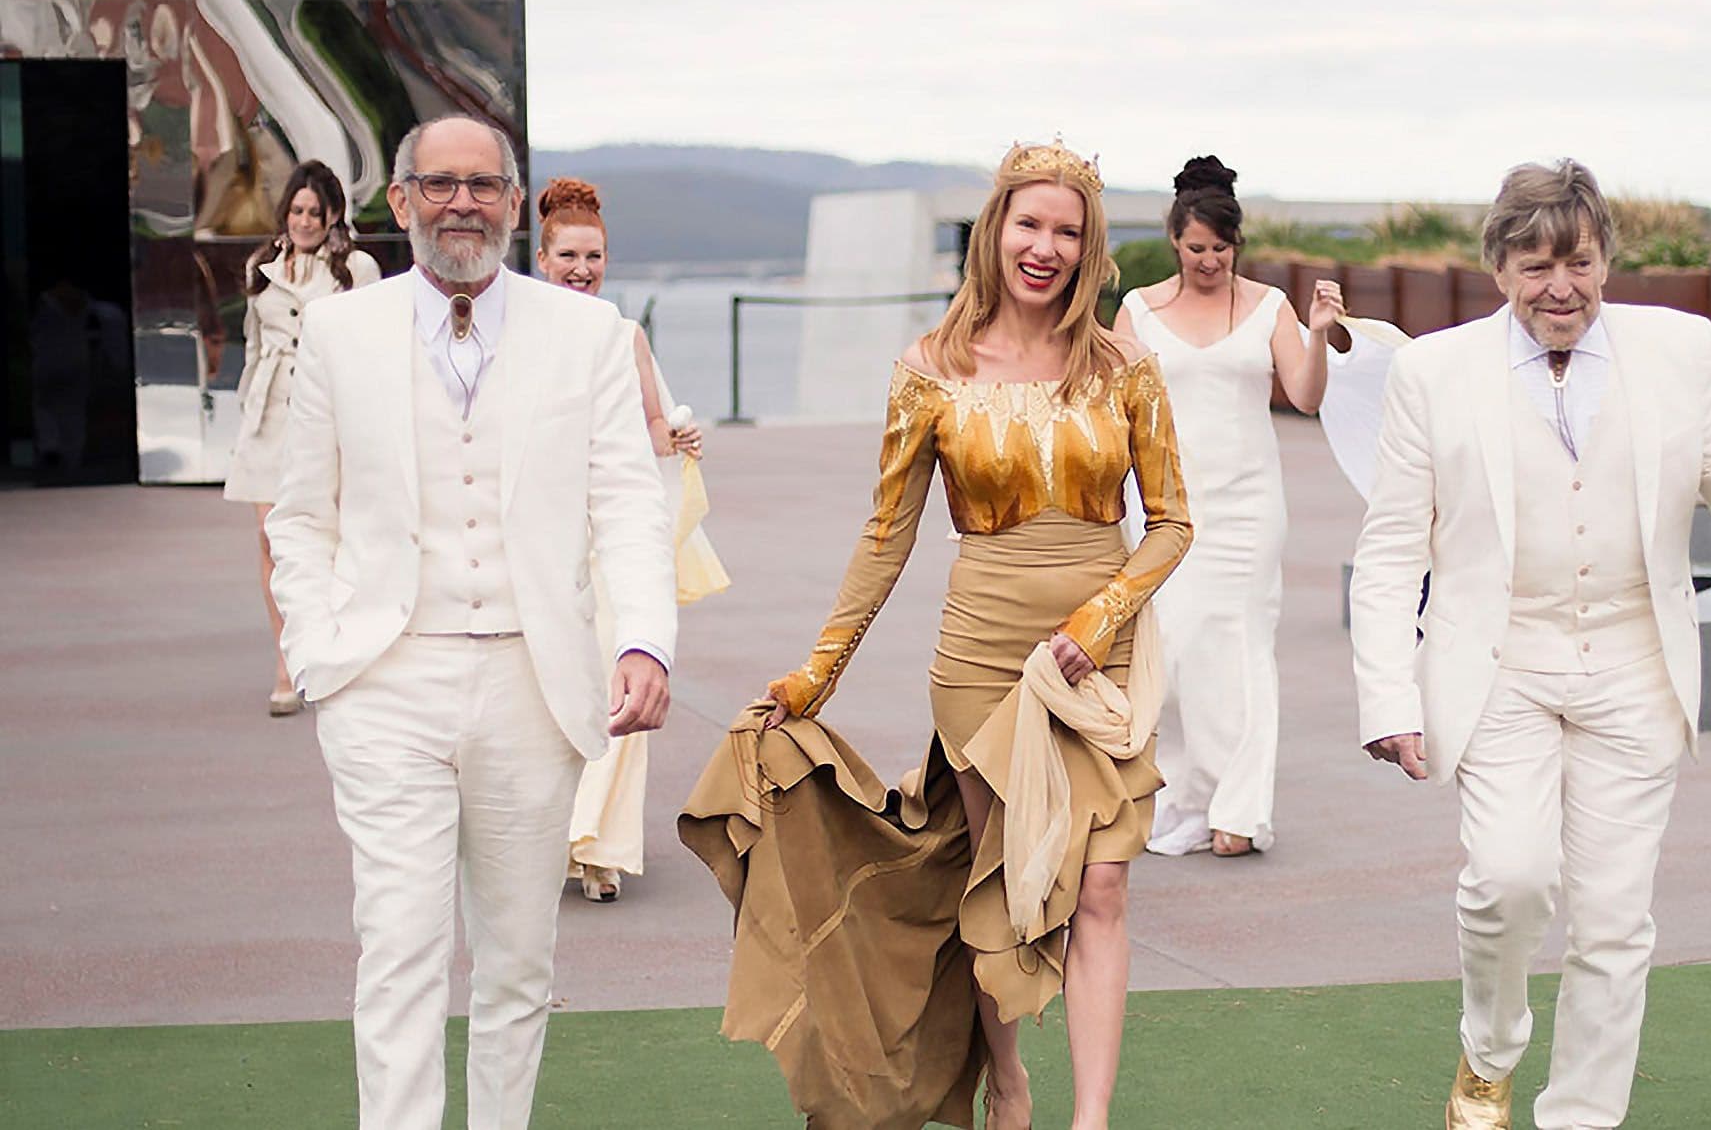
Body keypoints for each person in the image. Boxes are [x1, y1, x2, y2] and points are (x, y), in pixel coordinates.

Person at [681, 140, 1191, 1130]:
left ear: (1088, 248)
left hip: (1098, 659)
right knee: (998, 880)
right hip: (979, 662)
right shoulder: (929, 370)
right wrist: (813, 673)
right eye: (1027, 223)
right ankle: (1004, 1078)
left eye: (1066, 229)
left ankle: (1090, 1119)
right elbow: (887, 536)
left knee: (1103, 884)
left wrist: (1097, 618)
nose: (1043, 246)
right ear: (993, 230)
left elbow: (1170, 522)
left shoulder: (1125, 364)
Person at [1348, 158, 1711, 1128]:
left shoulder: (1682, 349)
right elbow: (1389, 548)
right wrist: (1386, 696)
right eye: (1536, 265)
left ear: (1604, 259)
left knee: (1611, 920)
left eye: (1579, 262)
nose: (1561, 287)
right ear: (1498, 266)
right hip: (1497, 664)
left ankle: (1580, 1115)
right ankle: (1489, 1046)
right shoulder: (1432, 370)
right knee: (1506, 880)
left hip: (1635, 664)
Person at [265, 115, 677, 1129]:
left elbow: (629, 502)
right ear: (399, 201)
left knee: (517, 960)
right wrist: (321, 654)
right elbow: (299, 514)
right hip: (384, 681)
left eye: (483, 184)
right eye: (439, 184)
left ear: (510, 200)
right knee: (398, 950)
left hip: (532, 687)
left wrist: (643, 640)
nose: (462, 202)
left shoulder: (589, 334)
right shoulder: (338, 332)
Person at [1114, 155, 1347, 858]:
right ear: (1174, 243)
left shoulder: (1269, 305)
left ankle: (1241, 809)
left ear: (1236, 244)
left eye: (1220, 248)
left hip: (1248, 502)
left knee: (1241, 646)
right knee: (1175, 652)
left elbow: (1305, 395)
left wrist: (1316, 333)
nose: (1208, 260)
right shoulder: (1138, 310)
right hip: (1162, 502)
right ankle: (1186, 794)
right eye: (1195, 248)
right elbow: (1115, 411)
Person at [533, 176, 726, 904]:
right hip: (547, 534)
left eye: (595, 255)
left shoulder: (624, 334)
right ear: (544, 257)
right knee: (554, 683)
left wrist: (675, 436)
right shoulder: (523, 333)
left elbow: (648, 426)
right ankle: (551, 831)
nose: (583, 268)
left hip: (610, 534)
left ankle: (600, 845)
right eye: (569, 255)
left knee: (620, 678)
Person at [221, 159, 381, 716]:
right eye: (296, 210)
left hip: (327, 414)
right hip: (269, 417)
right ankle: (286, 661)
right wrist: (247, 410)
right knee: (269, 540)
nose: (305, 221)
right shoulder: (261, 264)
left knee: (332, 537)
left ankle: (335, 649)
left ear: (332, 213)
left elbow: (372, 348)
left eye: (315, 211)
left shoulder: (354, 268)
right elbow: (253, 341)